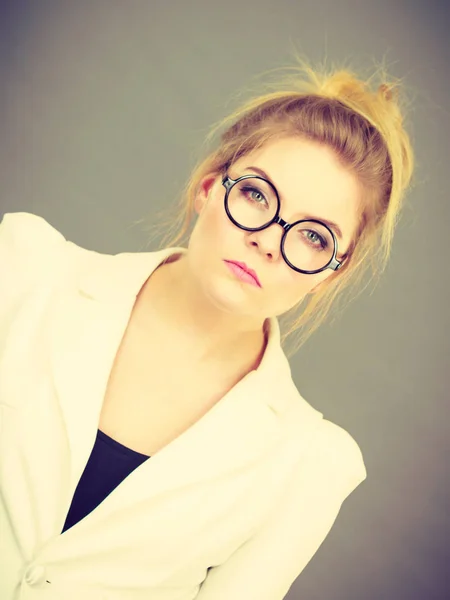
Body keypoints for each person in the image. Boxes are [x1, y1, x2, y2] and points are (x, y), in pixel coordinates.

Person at [0, 57, 414, 600]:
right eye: (257, 195)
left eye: (314, 236)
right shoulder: (23, 265)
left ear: (331, 273)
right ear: (209, 186)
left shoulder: (310, 464)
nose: (268, 241)